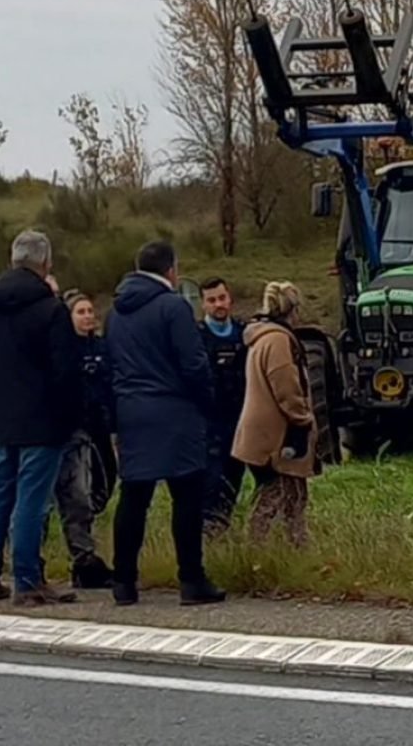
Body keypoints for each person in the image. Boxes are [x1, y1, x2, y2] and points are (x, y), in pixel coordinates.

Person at [105, 241, 225, 607]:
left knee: (134, 497)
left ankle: (124, 581)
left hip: (131, 413)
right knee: (186, 497)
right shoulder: (173, 307)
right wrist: (208, 405)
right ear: (171, 270)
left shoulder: (114, 313)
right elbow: (193, 364)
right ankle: (191, 579)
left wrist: (116, 417)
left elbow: (110, 369)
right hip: (174, 412)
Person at [0, 230, 81, 607]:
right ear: (45, 263)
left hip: (2, 418)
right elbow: (66, 372)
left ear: (13, 259)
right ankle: (28, 579)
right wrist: (68, 416)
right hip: (43, 421)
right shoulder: (51, 310)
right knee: (32, 501)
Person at [232, 282, 316, 548]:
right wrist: (303, 419)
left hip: (260, 433)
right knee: (275, 495)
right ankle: (258, 552)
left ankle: (295, 548)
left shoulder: (260, 336)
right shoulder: (278, 340)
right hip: (276, 436)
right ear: (293, 309)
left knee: (293, 494)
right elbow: (287, 388)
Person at [53, 289, 115, 589]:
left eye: (91, 311)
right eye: (81, 312)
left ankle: (87, 553)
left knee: (104, 488)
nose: (88, 316)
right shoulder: (65, 351)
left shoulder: (104, 347)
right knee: (78, 495)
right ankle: (83, 559)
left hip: (101, 430)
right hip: (75, 432)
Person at [198, 277, 247, 535]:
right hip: (210, 426)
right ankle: (208, 534)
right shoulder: (197, 338)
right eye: (212, 300)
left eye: (222, 298)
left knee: (233, 481)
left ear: (230, 299)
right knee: (211, 483)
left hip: (240, 423)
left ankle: (223, 530)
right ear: (203, 305)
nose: (218, 304)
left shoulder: (244, 334)